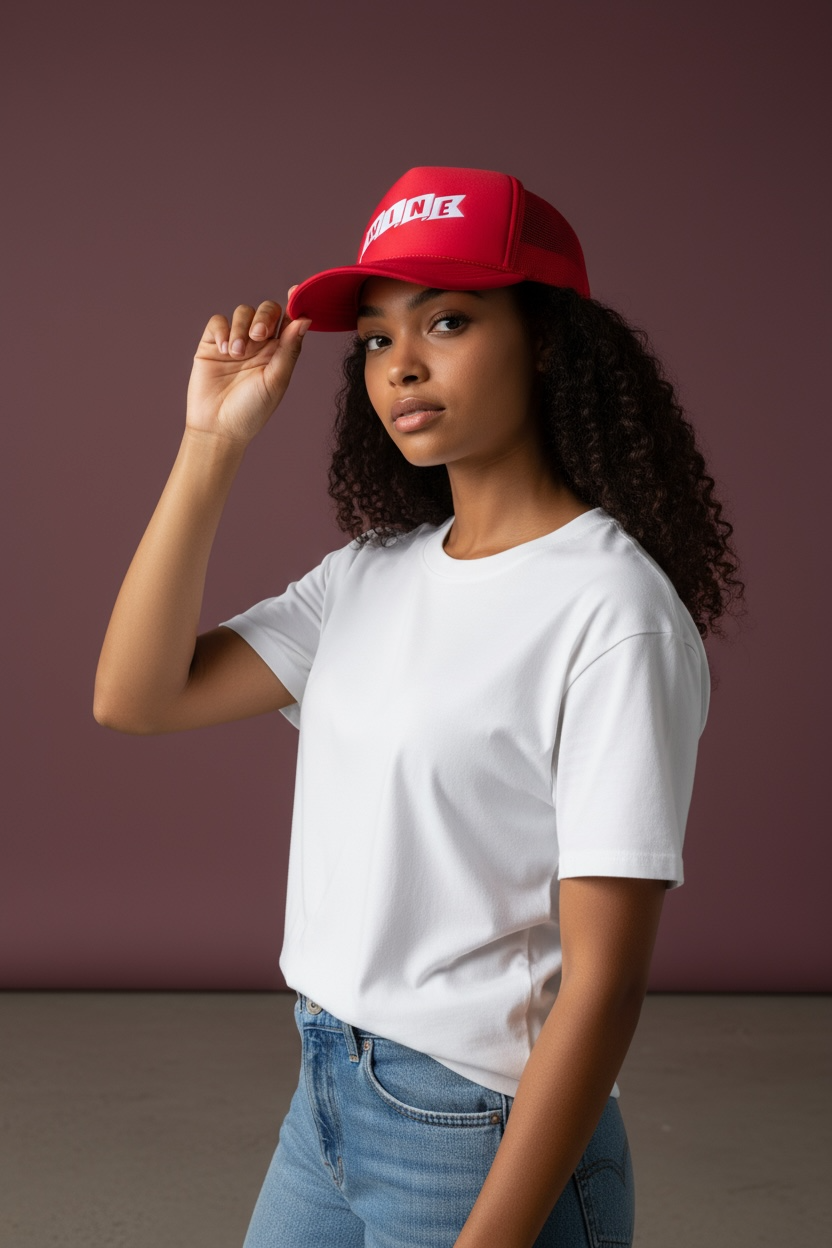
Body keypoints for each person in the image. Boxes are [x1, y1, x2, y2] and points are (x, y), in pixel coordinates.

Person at [94, 165, 745, 1248]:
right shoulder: (369, 575)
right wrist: (212, 444)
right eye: (379, 339)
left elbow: (606, 982)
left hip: (482, 1127)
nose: (402, 366)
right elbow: (137, 695)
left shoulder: (612, 611)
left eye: (446, 321)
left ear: (546, 340)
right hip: (328, 1092)